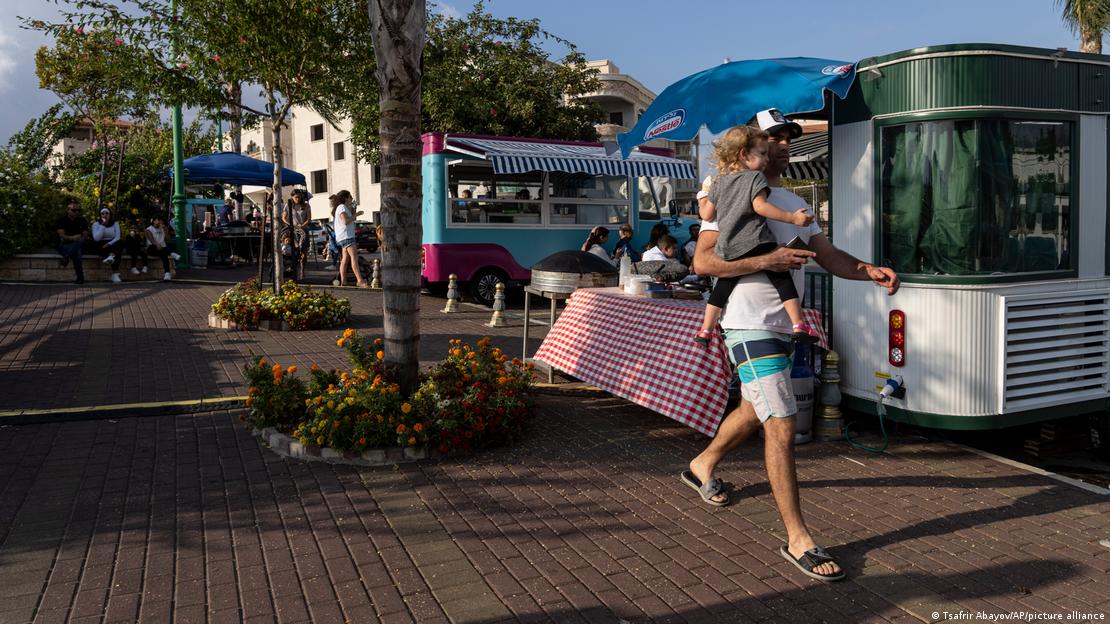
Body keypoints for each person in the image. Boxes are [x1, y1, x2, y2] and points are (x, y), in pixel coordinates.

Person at [683, 108, 900, 582]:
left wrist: (868, 270)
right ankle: (798, 537)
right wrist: (772, 258)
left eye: (787, 138)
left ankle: (703, 462)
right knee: (781, 421)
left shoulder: (794, 202)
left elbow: (829, 256)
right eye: (773, 137)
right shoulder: (732, 192)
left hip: (783, 326)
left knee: (754, 407)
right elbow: (703, 264)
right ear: (753, 147)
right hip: (746, 324)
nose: (782, 144)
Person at [693, 125, 818, 349]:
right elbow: (760, 207)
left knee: (721, 289)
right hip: (756, 241)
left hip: (728, 248)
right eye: (761, 154)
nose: (765, 159)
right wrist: (791, 218)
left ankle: (706, 329)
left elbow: (707, 214)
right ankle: (798, 324)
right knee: (782, 278)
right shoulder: (754, 178)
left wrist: (703, 197)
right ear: (744, 154)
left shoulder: (719, 183)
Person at [333, 190, 367, 287]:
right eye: (350, 197)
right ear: (346, 198)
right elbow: (345, 221)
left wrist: (354, 209)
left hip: (344, 236)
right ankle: (360, 280)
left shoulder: (343, 207)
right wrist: (356, 215)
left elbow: (350, 218)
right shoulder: (342, 207)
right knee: (354, 257)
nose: (351, 199)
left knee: (345, 259)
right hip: (347, 236)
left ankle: (344, 281)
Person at [55, 201, 89, 284]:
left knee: (78, 246)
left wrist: (79, 238)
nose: (76, 212)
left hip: (79, 244)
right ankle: (80, 277)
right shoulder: (61, 220)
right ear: (68, 210)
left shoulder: (82, 220)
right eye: (74, 210)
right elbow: (62, 236)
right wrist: (72, 238)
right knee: (77, 252)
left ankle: (66, 257)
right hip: (64, 245)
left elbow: (85, 236)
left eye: (78, 210)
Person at [91, 207, 124, 283]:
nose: (104, 215)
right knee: (116, 251)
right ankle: (115, 273)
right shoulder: (96, 224)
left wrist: (109, 243)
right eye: (102, 214)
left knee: (119, 243)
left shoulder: (115, 224)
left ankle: (110, 256)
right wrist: (102, 226)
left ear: (110, 215)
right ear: (100, 215)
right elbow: (96, 238)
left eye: (107, 213)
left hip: (113, 243)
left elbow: (117, 237)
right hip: (101, 243)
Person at [146, 214, 181, 282]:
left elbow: (169, 240)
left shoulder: (163, 229)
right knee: (161, 249)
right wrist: (157, 245)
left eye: (161, 222)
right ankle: (172, 254)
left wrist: (165, 231)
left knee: (164, 255)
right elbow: (151, 240)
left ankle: (167, 274)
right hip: (152, 248)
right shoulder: (149, 229)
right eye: (158, 221)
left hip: (162, 249)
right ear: (153, 221)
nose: (160, 223)